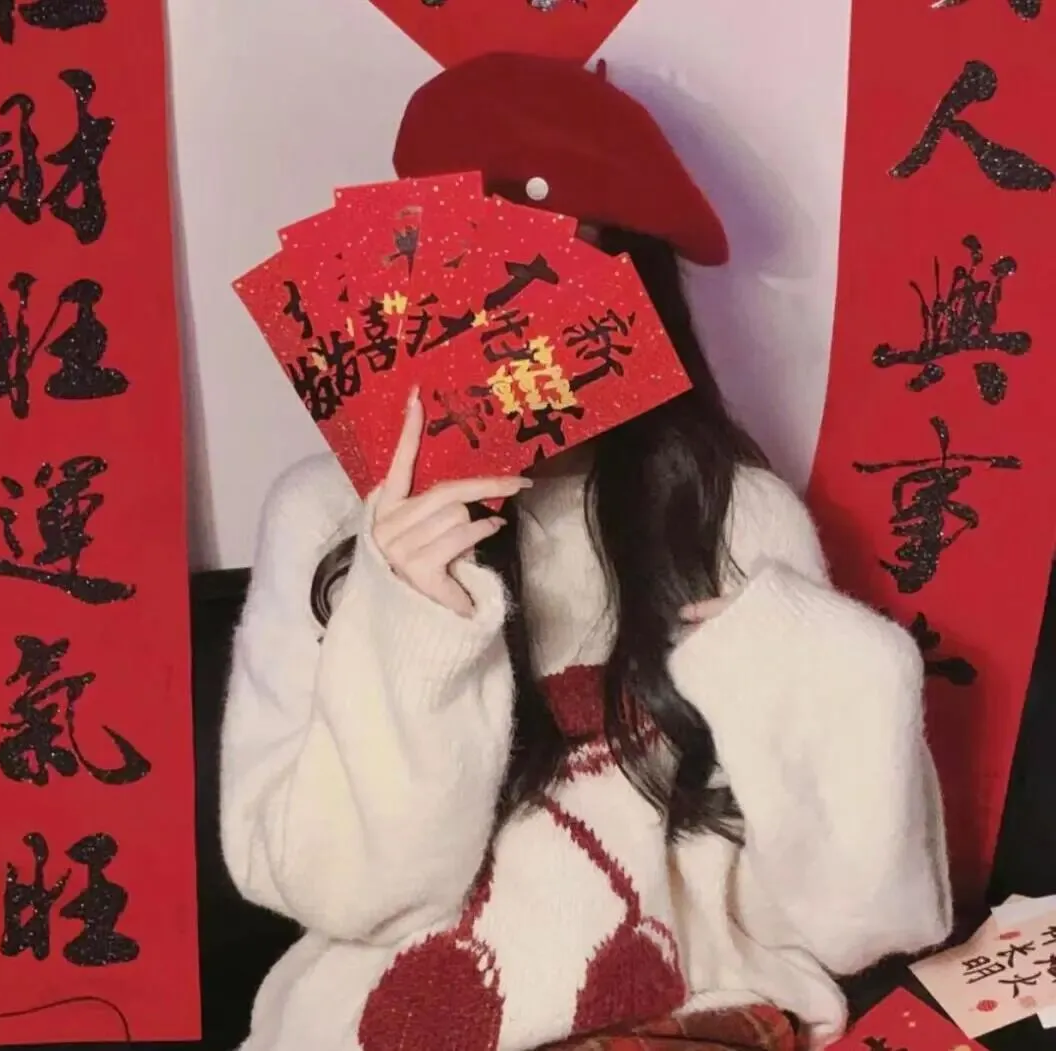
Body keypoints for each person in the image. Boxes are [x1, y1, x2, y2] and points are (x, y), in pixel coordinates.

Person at [220, 52, 952, 1051]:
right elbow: (344, 894)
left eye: (567, 273)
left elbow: (850, 922)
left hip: (686, 1019)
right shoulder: (324, 517)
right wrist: (405, 624)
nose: (515, 321)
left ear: (633, 296)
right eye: (476, 264)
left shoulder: (733, 513)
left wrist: (848, 685)